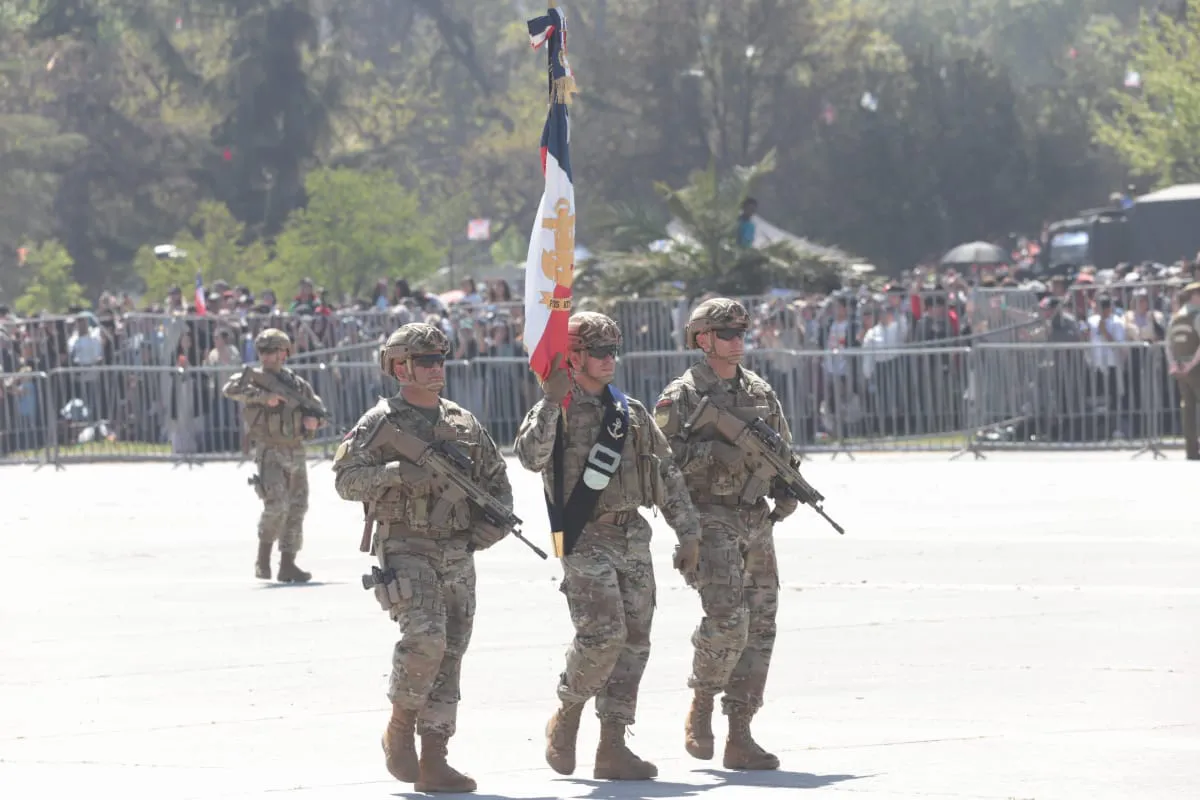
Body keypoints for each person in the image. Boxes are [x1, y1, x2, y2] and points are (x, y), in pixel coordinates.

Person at [513, 311, 701, 781]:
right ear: (572, 356)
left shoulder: (630, 412)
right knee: (602, 637)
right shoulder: (556, 405)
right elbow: (530, 457)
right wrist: (551, 404)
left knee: (636, 641)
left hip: (632, 534)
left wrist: (689, 532)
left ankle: (613, 743)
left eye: (613, 350)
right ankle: (569, 712)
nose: (609, 359)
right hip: (583, 534)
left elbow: (665, 474)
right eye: (598, 351)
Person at [332, 323, 512, 793]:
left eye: (440, 359)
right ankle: (400, 725)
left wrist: (488, 528)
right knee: (426, 638)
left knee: (451, 652)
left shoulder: (463, 423)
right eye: (426, 361)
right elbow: (345, 479)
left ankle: (435, 756)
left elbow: (496, 483)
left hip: (457, 550)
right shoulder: (380, 421)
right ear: (399, 367)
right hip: (406, 547)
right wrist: (395, 473)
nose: (437, 369)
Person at [653, 297, 798, 771]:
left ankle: (741, 730)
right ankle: (702, 701)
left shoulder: (758, 389)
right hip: (710, 519)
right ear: (702, 339)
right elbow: (661, 466)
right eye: (727, 333)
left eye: (741, 332)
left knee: (761, 626)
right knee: (727, 620)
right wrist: (716, 453)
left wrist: (787, 484)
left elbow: (781, 446)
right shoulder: (684, 395)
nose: (738, 341)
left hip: (755, 518)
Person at [221, 328, 325, 582]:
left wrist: (314, 423)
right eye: (262, 351)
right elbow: (230, 389)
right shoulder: (253, 379)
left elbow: (317, 410)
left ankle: (288, 563)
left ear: (284, 353)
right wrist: (264, 397)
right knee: (276, 504)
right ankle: (263, 559)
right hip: (270, 450)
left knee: (297, 507)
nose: (266, 357)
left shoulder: (297, 384)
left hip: (295, 450)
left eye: (271, 351)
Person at [1167, 282, 1200, 460]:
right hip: (1196, 368)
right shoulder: (1198, 316)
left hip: (1180, 369)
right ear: (1195, 295)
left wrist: (1174, 365)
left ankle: (1191, 450)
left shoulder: (1175, 317)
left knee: (1187, 409)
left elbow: (1169, 345)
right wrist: (1191, 365)